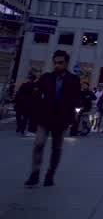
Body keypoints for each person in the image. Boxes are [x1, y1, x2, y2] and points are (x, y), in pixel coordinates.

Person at [25, 50, 83, 187]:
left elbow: (76, 99)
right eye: (55, 62)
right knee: (39, 144)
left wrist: (73, 116)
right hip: (44, 117)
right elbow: (36, 92)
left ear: (66, 63)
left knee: (56, 148)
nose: (57, 65)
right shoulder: (47, 77)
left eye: (60, 63)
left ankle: (50, 173)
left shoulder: (73, 80)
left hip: (61, 119)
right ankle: (35, 173)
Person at [14, 73, 36, 137]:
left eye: (30, 78)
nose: (29, 79)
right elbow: (19, 92)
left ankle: (22, 128)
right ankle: (20, 126)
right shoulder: (24, 84)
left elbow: (34, 95)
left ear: (33, 79)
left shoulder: (34, 86)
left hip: (28, 103)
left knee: (25, 117)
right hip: (21, 102)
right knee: (18, 115)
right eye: (29, 78)